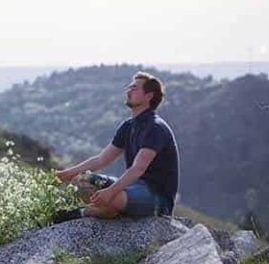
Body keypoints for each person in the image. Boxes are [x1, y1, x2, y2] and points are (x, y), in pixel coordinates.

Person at [55, 71, 179, 220]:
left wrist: (110, 191)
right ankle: (108, 209)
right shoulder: (128, 126)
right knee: (81, 179)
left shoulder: (155, 128)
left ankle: (84, 212)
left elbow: (138, 168)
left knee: (114, 197)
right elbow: (102, 160)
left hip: (156, 197)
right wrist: (67, 174)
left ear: (149, 96)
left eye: (135, 88)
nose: (129, 90)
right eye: (129, 87)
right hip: (132, 187)